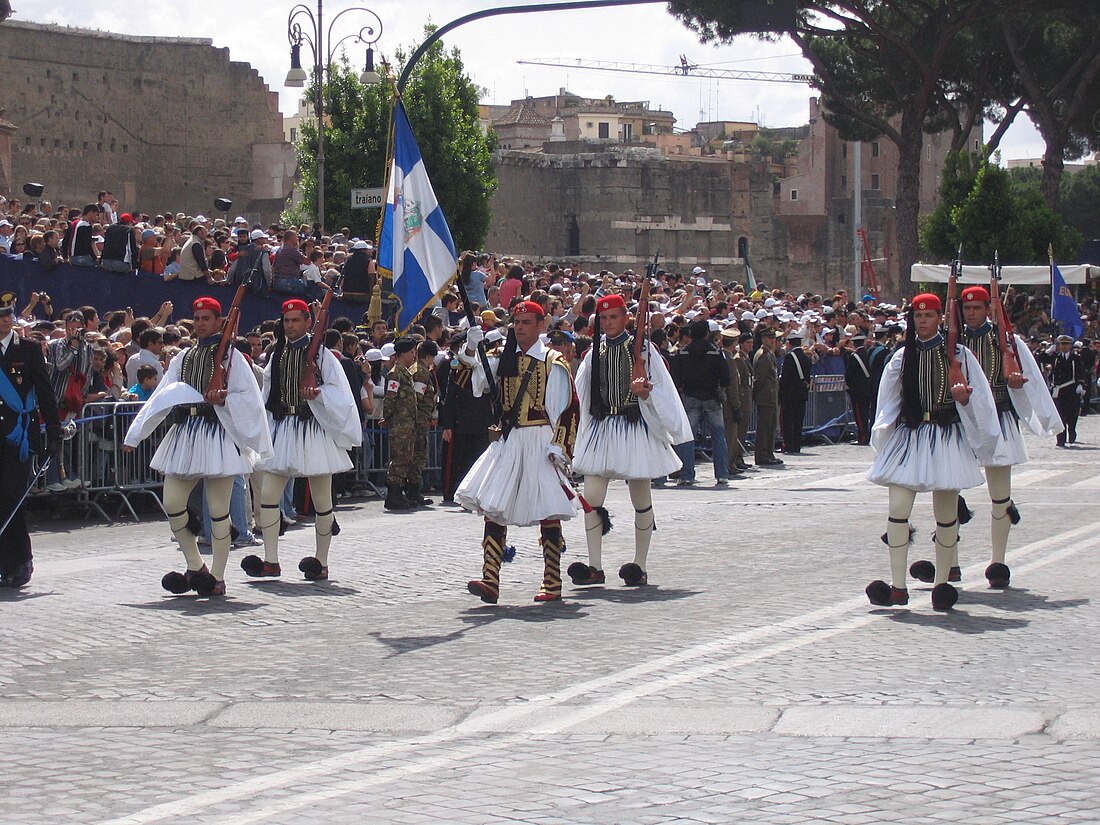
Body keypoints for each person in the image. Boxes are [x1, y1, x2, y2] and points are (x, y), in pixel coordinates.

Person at [909, 285, 1064, 589]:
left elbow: (1028, 378)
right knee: (948, 490)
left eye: (977, 308)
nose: (971, 313)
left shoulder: (1006, 341)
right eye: (967, 309)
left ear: (988, 309)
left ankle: (998, 562)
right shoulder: (953, 343)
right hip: (960, 422)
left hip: (998, 418)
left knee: (1000, 496)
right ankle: (949, 564)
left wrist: (1024, 392)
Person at [123, 297, 273, 597]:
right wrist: (135, 434)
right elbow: (162, 395)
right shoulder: (184, 357)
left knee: (218, 511)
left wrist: (225, 398)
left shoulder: (232, 357)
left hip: (218, 433)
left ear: (220, 322)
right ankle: (195, 565)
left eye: (207, 318)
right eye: (198, 317)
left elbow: (249, 397)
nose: (201, 322)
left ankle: (216, 575)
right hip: (187, 433)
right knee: (172, 503)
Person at [865, 293, 1000, 611]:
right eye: (917, 317)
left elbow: (981, 400)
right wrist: (882, 443)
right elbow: (888, 403)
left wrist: (964, 399)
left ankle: (941, 582)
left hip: (945, 435)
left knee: (946, 513)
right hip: (910, 436)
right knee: (898, 509)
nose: (922, 321)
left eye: (928, 316)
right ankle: (898, 585)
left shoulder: (960, 355)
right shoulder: (901, 358)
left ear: (940, 317)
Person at [457, 301, 579, 603]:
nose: (520, 327)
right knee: (494, 507)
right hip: (509, 441)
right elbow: (468, 382)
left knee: (548, 510)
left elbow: (566, 407)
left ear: (541, 325)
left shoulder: (553, 362)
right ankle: (490, 579)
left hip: (539, 438)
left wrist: (559, 446)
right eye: (517, 322)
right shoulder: (501, 356)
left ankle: (552, 581)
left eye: (527, 322)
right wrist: (470, 350)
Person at [567, 293, 692, 588]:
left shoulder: (644, 350)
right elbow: (581, 396)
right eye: (604, 318)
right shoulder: (591, 354)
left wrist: (647, 392)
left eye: (614, 317)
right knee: (591, 500)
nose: (609, 323)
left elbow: (662, 388)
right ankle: (594, 566)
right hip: (602, 428)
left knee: (641, 499)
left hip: (634, 426)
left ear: (626, 318)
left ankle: (640, 564)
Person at [243, 299, 362, 582]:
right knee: (269, 497)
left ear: (308, 322)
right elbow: (268, 396)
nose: (291, 326)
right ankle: (271, 560)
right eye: (286, 321)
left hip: (313, 428)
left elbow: (340, 392)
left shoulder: (321, 355)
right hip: (284, 426)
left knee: (322, 500)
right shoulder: (277, 353)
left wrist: (319, 394)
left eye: (296, 320)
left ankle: (321, 561)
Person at [0, 303, 62, 588]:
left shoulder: (27, 349)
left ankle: (20, 560)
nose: (3, 321)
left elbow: (45, 391)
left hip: (18, 437)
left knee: (11, 498)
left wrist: (53, 430)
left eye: (6, 316)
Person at [670, 319, 731, 486]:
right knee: (718, 436)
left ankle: (687, 475)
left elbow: (676, 378)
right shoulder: (716, 353)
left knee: (687, 438)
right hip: (711, 397)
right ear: (706, 334)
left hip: (690, 397)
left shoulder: (682, 353)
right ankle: (722, 474)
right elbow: (726, 379)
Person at [438, 330, 494, 503]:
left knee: (480, 459)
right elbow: (450, 397)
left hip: (483, 422)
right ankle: (455, 492)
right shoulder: (456, 367)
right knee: (460, 461)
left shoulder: (487, 367)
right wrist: (447, 424)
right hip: (462, 422)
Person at [382, 337, 420, 512]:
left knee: (406, 458)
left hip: (408, 425)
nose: (414, 355)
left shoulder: (406, 372)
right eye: (411, 352)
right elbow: (390, 398)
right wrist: (388, 417)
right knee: (399, 459)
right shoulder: (396, 373)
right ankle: (393, 495)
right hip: (400, 425)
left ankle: (400, 493)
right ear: (402, 353)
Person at [778, 330, 813, 454]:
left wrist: (780, 391)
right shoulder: (806, 357)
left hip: (790, 394)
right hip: (802, 393)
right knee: (798, 421)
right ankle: (797, 445)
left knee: (788, 421)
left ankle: (788, 445)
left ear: (789, 343)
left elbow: (786, 377)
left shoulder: (790, 357)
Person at [1049, 334, 1086, 447]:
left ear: (1070, 345)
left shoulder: (1076, 358)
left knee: (1072, 414)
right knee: (1060, 415)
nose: (1064, 346)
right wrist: (1047, 352)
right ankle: (1060, 439)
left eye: (1066, 344)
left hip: (1071, 390)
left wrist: (1080, 384)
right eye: (1061, 344)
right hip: (1059, 390)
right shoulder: (1056, 357)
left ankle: (1071, 432)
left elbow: (1080, 371)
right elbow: (1041, 360)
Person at [752, 328, 782, 466]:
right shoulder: (763, 355)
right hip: (765, 396)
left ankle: (769, 452)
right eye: (770, 338)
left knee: (771, 426)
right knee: (764, 427)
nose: (773, 341)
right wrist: (756, 394)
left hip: (771, 396)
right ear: (763, 339)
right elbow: (760, 379)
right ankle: (762, 454)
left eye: (774, 338)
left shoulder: (770, 354)